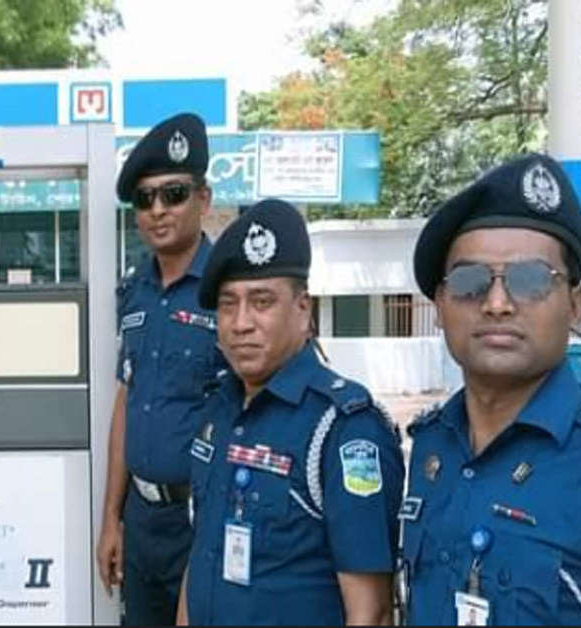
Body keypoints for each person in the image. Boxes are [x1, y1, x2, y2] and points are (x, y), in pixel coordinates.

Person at [178, 199, 405, 625]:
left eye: (261, 302)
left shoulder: (344, 429)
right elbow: (203, 553)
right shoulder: (218, 410)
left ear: (303, 311)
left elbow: (370, 612)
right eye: (228, 304)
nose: (241, 322)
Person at [403, 154, 581, 626]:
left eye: (530, 281)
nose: (498, 303)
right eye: (470, 282)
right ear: (440, 305)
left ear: (575, 305)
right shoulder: (430, 445)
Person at [96, 112, 227, 625]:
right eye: (144, 199)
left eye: (173, 194)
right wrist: (111, 517)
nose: (157, 209)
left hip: (205, 521)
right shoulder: (135, 292)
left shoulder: (231, 293)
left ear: (204, 198)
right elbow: (128, 400)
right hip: (142, 522)